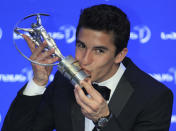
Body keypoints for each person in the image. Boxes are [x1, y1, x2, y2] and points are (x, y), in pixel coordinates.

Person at [2, 4, 173, 131]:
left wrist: (103, 119)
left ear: (120, 55)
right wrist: (38, 83)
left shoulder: (154, 96)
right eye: (81, 46)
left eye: (99, 51)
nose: (84, 60)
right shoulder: (64, 82)